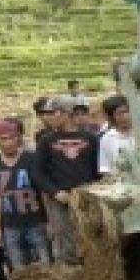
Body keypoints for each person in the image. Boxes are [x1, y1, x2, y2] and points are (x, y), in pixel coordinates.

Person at [32, 96, 99, 265]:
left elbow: (97, 169)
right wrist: (54, 192)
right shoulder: (46, 141)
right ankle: (73, 275)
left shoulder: (91, 138)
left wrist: (94, 190)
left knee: (92, 235)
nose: (47, 117)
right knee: (64, 236)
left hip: (86, 196)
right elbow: (38, 173)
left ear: (65, 114)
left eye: (52, 113)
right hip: (60, 198)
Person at [0, 120, 49, 271]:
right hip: (10, 225)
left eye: (12, 138)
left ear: (18, 138)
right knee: (19, 270)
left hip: (36, 221)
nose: (9, 143)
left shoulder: (31, 158)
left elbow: (43, 191)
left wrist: (49, 221)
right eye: (4, 139)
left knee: (46, 265)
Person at [97, 94, 135, 176]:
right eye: (119, 114)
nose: (125, 116)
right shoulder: (107, 138)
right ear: (112, 117)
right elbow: (105, 168)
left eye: (126, 111)